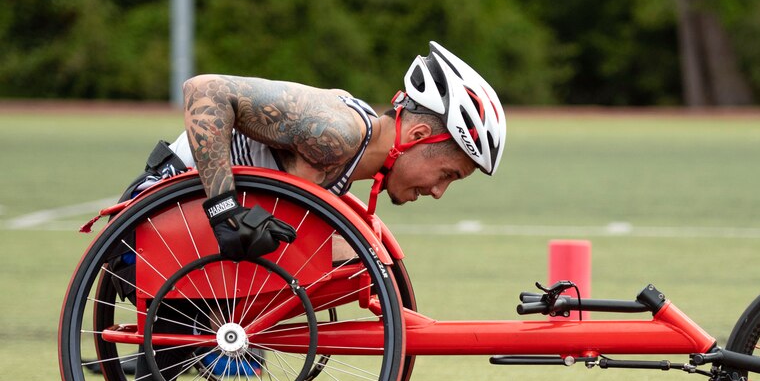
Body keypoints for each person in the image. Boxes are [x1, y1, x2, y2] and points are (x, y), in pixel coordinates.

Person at [137, 40, 506, 260]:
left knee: (355, 254)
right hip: (155, 216)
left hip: (187, 233)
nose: (439, 192)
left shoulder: (349, 152)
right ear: (417, 134)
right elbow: (205, 90)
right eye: (447, 174)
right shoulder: (337, 131)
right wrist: (224, 208)